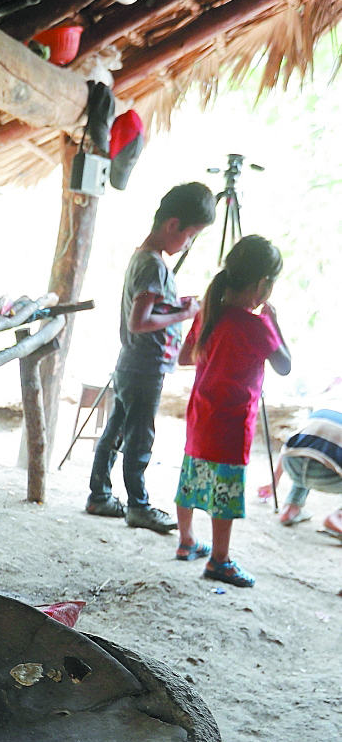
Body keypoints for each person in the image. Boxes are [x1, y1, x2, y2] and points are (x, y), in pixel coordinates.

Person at [88, 182, 215, 533]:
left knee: (116, 430)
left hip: (131, 363)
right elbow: (140, 321)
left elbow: (148, 308)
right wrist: (184, 316)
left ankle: (99, 495)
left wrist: (176, 306)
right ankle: (138, 506)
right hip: (145, 366)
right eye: (190, 236)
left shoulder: (143, 257)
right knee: (139, 438)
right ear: (173, 225)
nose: (188, 244)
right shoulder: (154, 266)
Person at [173, 235, 291, 587]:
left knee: (192, 478)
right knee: (224, 492)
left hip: (200, 418)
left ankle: (186, 541)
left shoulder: (211, 314)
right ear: (263, 285)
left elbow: (182, 357)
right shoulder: (256, 326)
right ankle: (218, 560)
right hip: (232, 425)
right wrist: (274, 321)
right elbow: (284, 365)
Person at [276, 395, 342, 539]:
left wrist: (274, 482)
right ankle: (338, 517)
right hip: (326, 475)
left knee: (308, 451)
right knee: (323, 456)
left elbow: (290, 444)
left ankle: (290, 508)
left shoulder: (326, 403)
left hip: (292, 464)